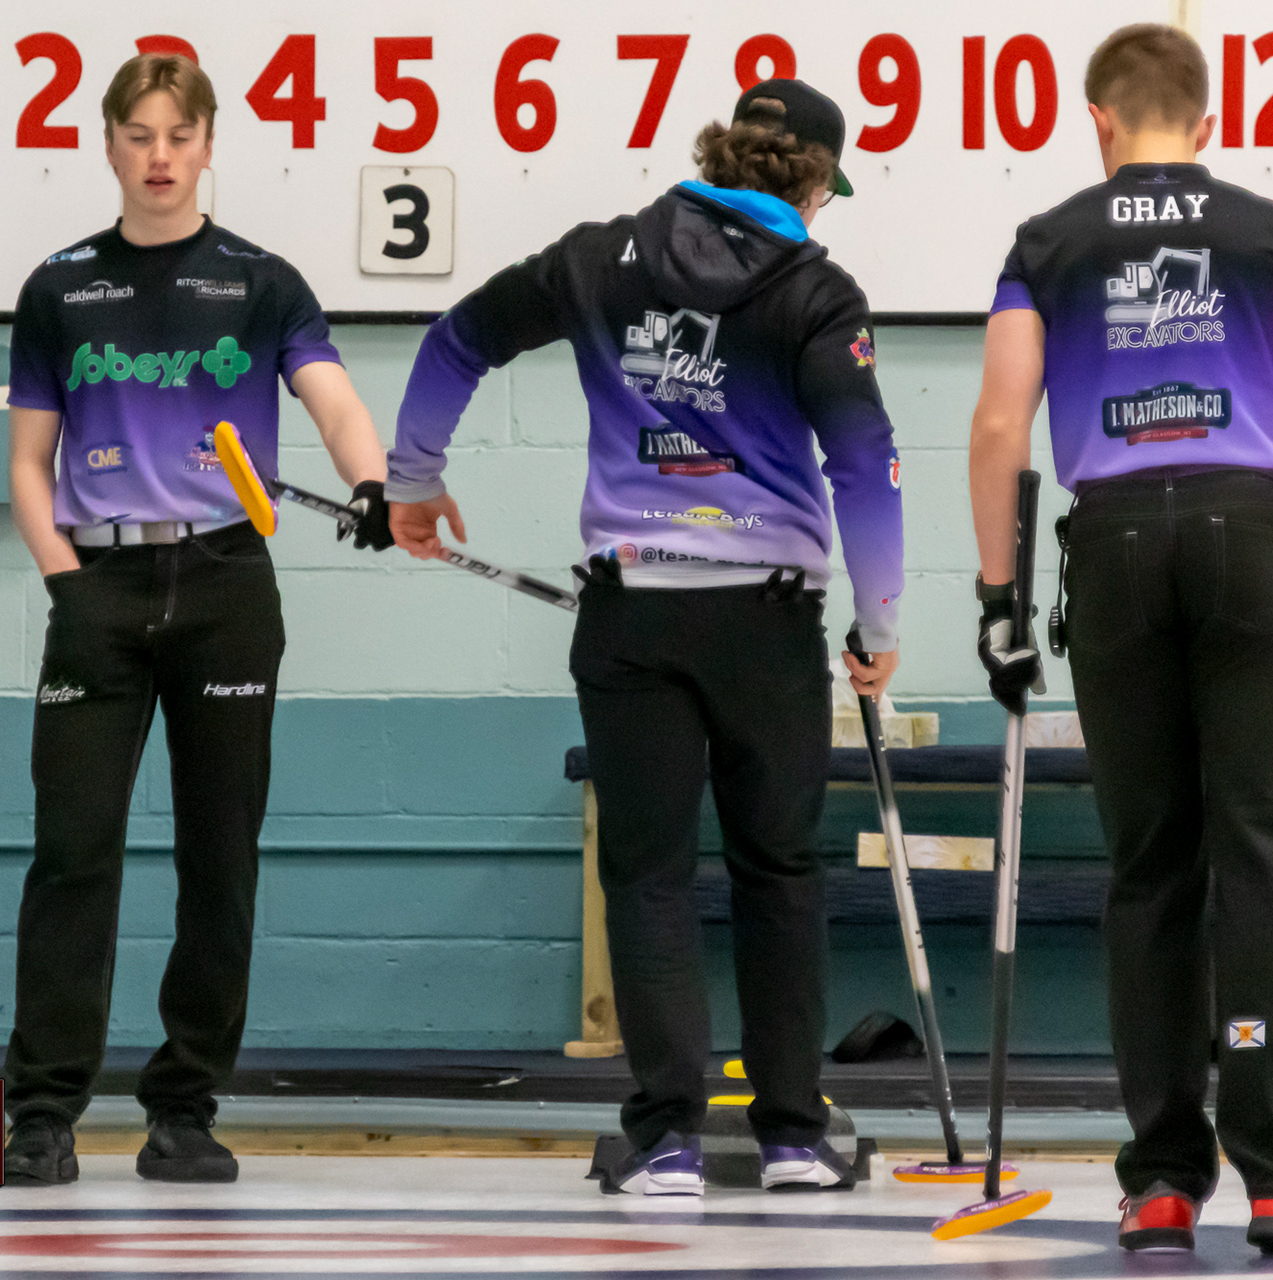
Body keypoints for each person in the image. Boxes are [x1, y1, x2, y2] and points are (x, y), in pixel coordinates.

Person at [385, 79, 904, 1196]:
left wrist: (412, 480)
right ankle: (793, 1138)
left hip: (633, 613)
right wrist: (880, 620)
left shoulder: (600, 257)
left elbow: (457, 338)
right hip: (767, 620)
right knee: (778, 871)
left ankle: (666, 1139)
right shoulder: (818, 289)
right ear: (813, 181)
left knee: (650, 874)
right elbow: (866, 463)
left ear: (720, 155)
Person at [967, 24, 1273, 1257]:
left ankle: (1163, 1180)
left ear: (1097, 120)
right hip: (1253, 540)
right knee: (1262, 856)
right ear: (1208, 123)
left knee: (1151, 867)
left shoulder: (1047, 241)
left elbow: (999, 428)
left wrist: (997, 600)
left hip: (1118, 546)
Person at [0, 53, 393, 1186]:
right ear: (109, 145)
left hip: (227, 586)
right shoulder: (59, 288)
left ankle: (183, 1107)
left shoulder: (262, 283)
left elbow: (332, 397)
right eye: (139, 136)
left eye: (179, 135)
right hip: (99, 589)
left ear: (210, 143)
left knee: (219, 858)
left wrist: (371, 482)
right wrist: (67, 581)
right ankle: (42, 1113)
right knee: (72, 854)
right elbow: (26, 463)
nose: (160, 157)